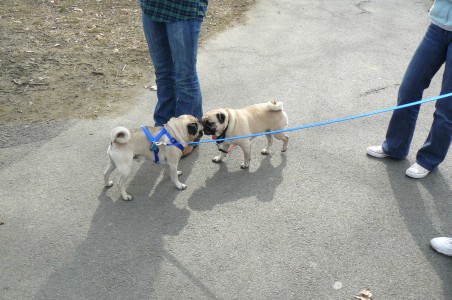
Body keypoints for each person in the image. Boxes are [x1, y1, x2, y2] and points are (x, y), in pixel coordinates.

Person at [367, 0, 452, 178]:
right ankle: (395, 146)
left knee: (446, 106)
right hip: (438, 27)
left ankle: (428, 159)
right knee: (409, 88)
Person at [140, 0, 208, 157]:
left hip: (184, 9)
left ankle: (185, 136)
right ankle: (162, 130)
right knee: (163, 73)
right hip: (152, 7)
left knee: (185, 76)